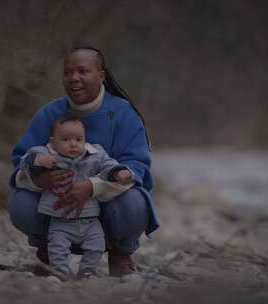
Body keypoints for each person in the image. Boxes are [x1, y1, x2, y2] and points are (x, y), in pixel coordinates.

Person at [8, 46, 160, 277]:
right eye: (67, 73)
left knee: (136, 202)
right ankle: (47, 251)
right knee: (20, 203)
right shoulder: (49, 113)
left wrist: (93, 186)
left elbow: (136, 167)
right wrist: (40, 178)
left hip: (108, 209)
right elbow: (21, 159)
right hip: (56, 208)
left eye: (83, 71)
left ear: (101, 76)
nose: (74, 78)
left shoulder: (123, 112)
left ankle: (120, 253)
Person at [19, 113, 134, 279]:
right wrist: (38, 160)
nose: (73, 144)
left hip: (90, 219)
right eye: (65, 140)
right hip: (60, 220)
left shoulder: (95, 154)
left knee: (97, 246)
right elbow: (24, 161)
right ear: (53, 142)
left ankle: (87, 271)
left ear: (85, 139)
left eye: (79, 139)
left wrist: (118, 172)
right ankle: (59, 273)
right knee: (57, 248)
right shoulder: (47, 153)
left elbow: (108, 164)